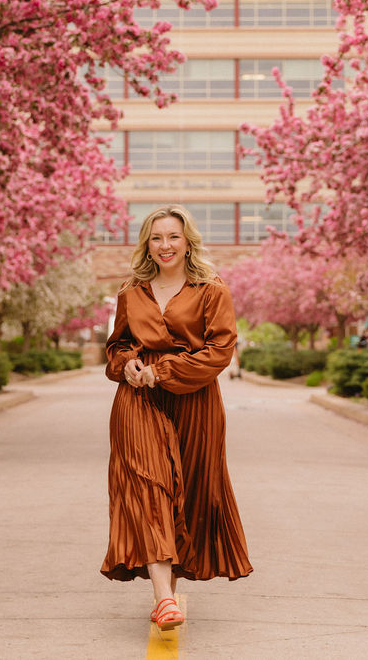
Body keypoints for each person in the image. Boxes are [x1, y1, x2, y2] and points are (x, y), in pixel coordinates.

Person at [101, 205, 252, 632]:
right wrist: (128, 363)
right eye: (156, 237)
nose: (164, 245)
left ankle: (166, 589)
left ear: (188, 242)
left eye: (173, 237)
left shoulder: (212, 290)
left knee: (187, 492)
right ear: (146, 243)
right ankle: (164, 599)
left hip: (194, 402)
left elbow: (219, 350)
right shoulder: (131, 291)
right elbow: (116, 347)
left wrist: (164, 371)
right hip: (138, 402)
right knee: (147, 486)